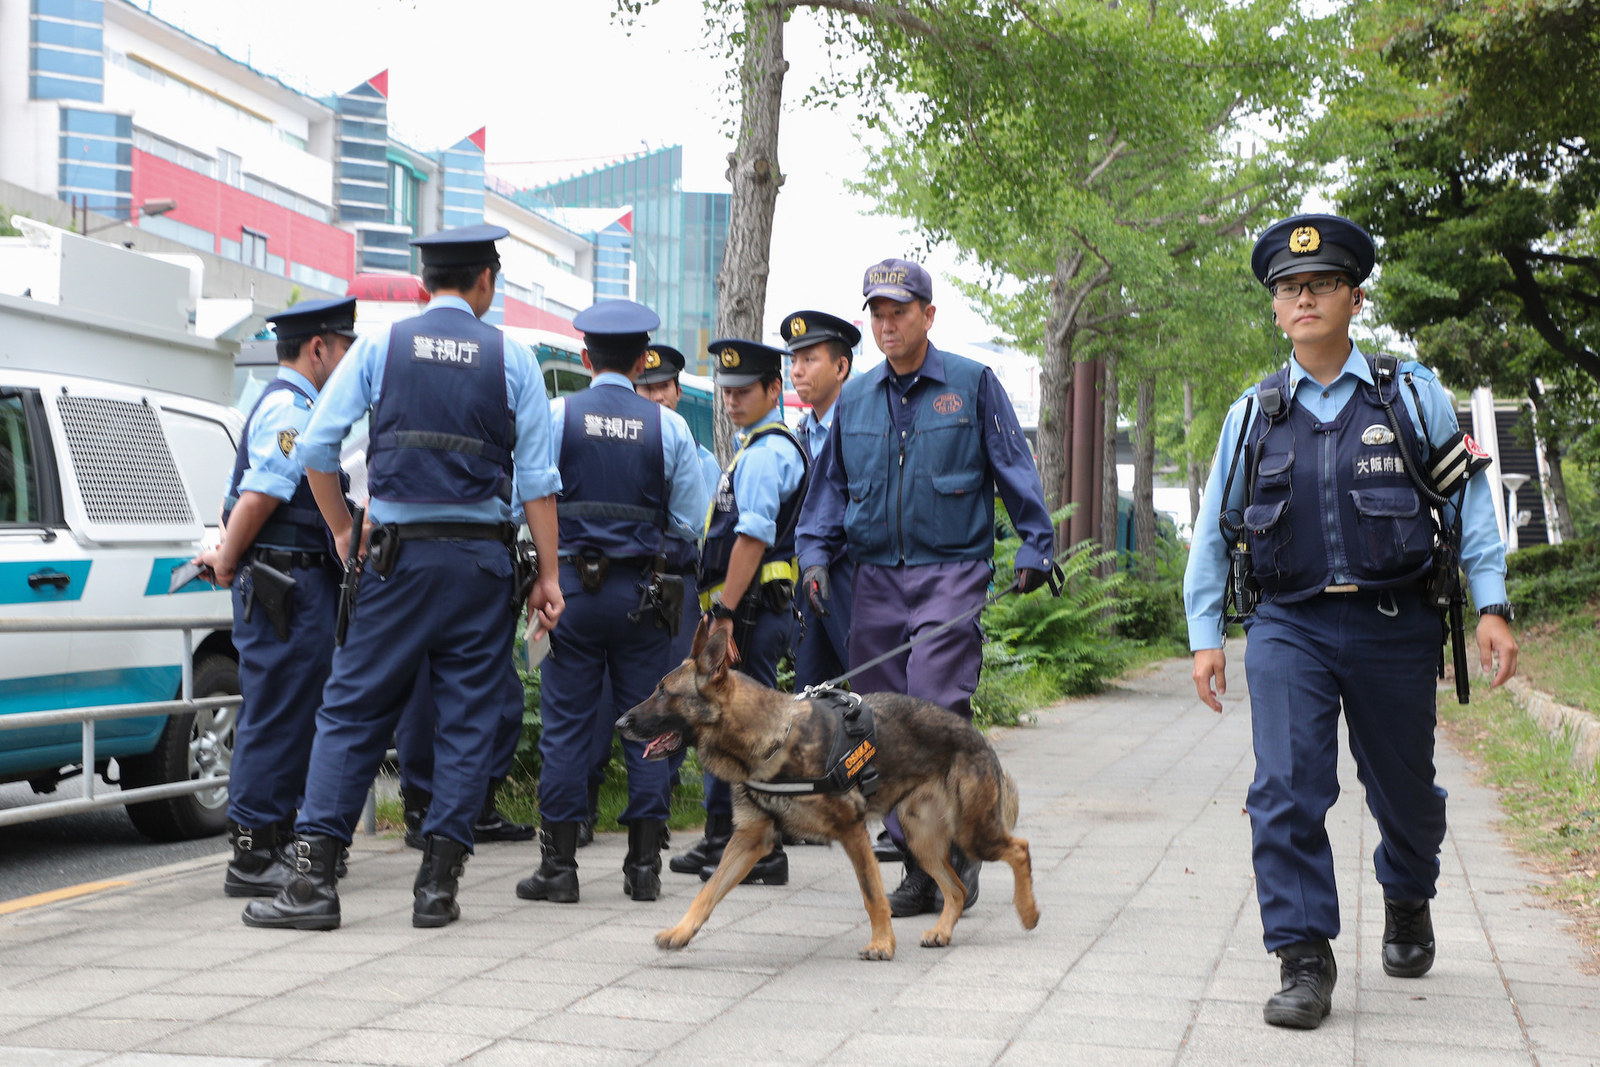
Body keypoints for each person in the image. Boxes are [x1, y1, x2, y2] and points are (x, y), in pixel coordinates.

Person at [1183, 213, 1519, 1030]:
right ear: (1276, 308)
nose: (1304, 297)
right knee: (1286, 788)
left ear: (1354, 297)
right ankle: (1303, 955)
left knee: (1404, 792)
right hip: (1289, 626)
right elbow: (1214, 527)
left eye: (1321, 283)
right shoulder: (1252, 415)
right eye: (1289, 288)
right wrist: (1204, 635)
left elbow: (1468, 498)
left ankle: (1407, 890)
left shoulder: (1410, 394)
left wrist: (1492, 602)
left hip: (1395, 622)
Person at [241, 223, 563, 931]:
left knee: (352, 709)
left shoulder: (383, 347)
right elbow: (538, 482)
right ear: (486, 282)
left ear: (423, 285)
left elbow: (319, 447)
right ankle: (437, 887)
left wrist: (343, 529)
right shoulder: (515, 359)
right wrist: (548, 575)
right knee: (468, 716)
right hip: (482, 566)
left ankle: (313, 884)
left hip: (394, 558)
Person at [795, 258, 1055, 918]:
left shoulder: (971, 385)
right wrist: (815, 558)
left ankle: (956, 850)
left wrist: (1034, 541)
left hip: (953, 572)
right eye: (877, 313)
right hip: (875, 577)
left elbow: (1015, 468)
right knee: (879, 723)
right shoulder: (853, 400)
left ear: (928, 315)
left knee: (936, 712)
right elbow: (826, 495)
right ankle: (918, 860)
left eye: (900, 311)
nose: (887, 323)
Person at [515, 302, 709, 905]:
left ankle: (559, 868)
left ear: (584, 358)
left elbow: (529, 493)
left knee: (568, 726)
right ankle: (644, 867)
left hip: (566, 592)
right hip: (641, 597)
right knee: (649, 725)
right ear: (641, 360)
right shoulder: (668, 428)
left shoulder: (556, 415)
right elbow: (689, 521)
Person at [198, 297, 356, 899]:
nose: (345, 362)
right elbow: (260, 496)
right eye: (342, 349)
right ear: (318, 347)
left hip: (296, 584)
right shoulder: (292, 410)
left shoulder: (291, 406)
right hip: (284, 587)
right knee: (275, 717)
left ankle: (280, 836)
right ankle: (252, 853)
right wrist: (230, 556)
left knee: (294, 715)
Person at [666, 338, 808, 886]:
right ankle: (725, 837)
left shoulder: (767, 452)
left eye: (744, 390)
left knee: (743, 731)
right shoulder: (758, 447)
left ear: (774, 389)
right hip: (750, 609)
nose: (730, 400)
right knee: (732, 726)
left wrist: (724, 611)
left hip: (749, 611)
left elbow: (752, 536)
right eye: (726, 391)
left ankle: (758, 848)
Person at [573, 343, 713, 846]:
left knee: (664, 702)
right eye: (645, 387)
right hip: (627, 583)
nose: (654, 395)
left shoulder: (700, 457)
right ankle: (587, 812)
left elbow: (700, 531)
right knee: (595, 706)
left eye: (662, 387)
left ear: (677, 390)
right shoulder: (630, 442)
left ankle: (651, 818)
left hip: (672, 591)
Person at [779, 310, 858, 693]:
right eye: (793, 360)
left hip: (857, 579)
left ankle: (872, 757)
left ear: (841, 366)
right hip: (811, 583)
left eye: (809, 359)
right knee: (811, 699)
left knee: (869, 693)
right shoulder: (797, 436)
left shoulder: (865, 426)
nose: (797, 371)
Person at [393, 657, 533, 849]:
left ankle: (481, 810)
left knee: (507, 699)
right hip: (418, 627)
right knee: (419, 706)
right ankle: (418, 811)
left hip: (482, 626)